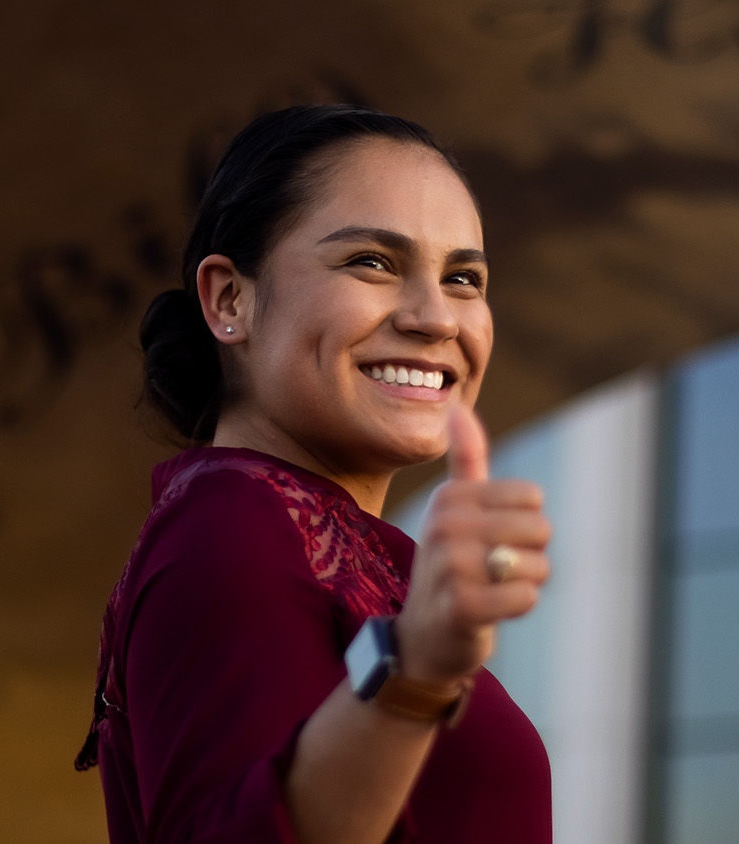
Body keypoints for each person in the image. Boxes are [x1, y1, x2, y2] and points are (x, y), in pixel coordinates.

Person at [76, 105, 553, 844]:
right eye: (372, 262)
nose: (437, 317)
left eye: (464, 278)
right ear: (229, 299)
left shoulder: (340, 545)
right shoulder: (230, 528)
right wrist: (413, 678)